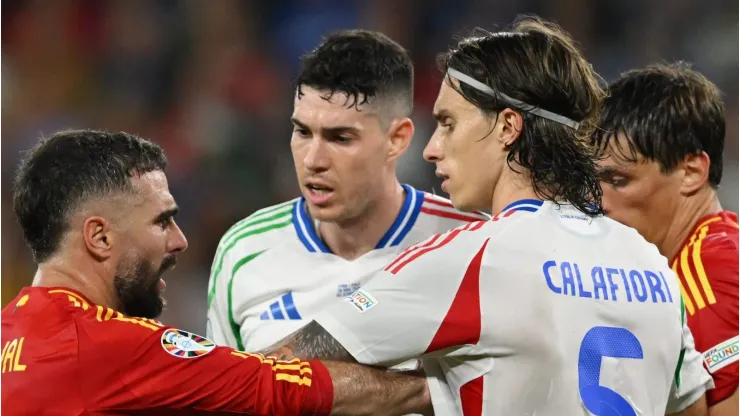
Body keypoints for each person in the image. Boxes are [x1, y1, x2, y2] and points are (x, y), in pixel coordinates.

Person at [263, 17, 713, 415]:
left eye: (448, 123)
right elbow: (692, 409)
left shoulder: (473, 258)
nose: (431, 148)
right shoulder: (653, 266)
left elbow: (283, 366)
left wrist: (424, 394)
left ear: (507, 127)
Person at [1, 129, 432, 415]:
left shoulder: (13, 333)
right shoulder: (104, 345)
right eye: (161, 221)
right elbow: (275, 389)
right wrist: (429, 389)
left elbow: (237, 375)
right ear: (100, 237)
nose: (179, 240)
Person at [206, 29, 488, 356]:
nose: (313, 160)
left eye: (340, 138)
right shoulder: (243, 251)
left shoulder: (470, 242)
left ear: (397, 139)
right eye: (302, 132)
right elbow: (225, 395)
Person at [592, 62, 738, 415]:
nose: (597, 202)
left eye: (619, 180)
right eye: (594, 180)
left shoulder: (706, 275)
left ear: (691, 172)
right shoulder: (716, 249)